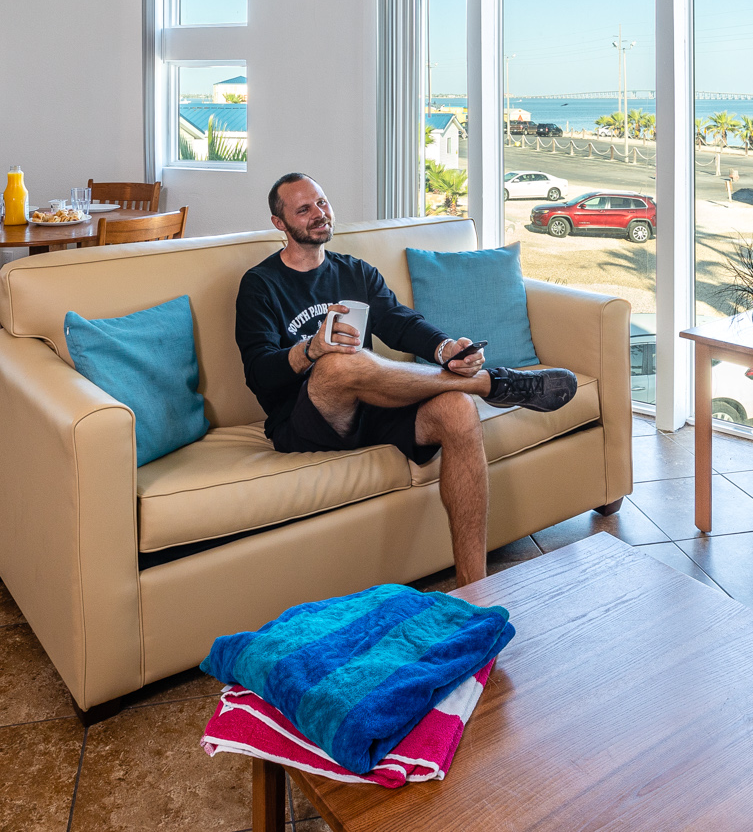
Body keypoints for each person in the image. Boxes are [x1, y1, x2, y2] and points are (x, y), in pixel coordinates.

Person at [235, 173, 576, 587]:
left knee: (456, 409)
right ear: (280, 223)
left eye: (322, 202)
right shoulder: (260, 285)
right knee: (338, 363)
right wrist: (311, 349)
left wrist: (446, 349)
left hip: (370, 409)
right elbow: (259, 373)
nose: (319, 214)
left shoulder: (355, 272)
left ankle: (475, 589)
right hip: (304, 421)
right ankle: (490, 384)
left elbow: (399, 322)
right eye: (304, 209)